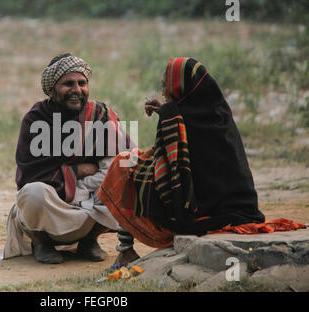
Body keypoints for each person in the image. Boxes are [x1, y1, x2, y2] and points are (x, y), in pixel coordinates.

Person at [98, 57, 267, 266]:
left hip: (201, 210)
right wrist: (166, 111)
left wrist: (167, 113)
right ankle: (125, 250)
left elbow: (171, 163)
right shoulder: (217, 111)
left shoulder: (177, 117)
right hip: (241, 204)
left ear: (179, 87)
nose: (162, 92)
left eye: (165, 86)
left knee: (124, 164)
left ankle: (125, 250)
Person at [3, 53, 131, 264]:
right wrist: (77, 170)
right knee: (33, 193)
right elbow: (30, 173)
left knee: (125, 177)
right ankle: (42, 242)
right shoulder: (37, 118)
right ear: (52, 89)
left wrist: (85, 179)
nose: (77, 90)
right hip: (52, 203)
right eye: (68, 84)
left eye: (82, 83)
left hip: (89, 201)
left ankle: (89, 240)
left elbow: (120, 162)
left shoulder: (100, 115)